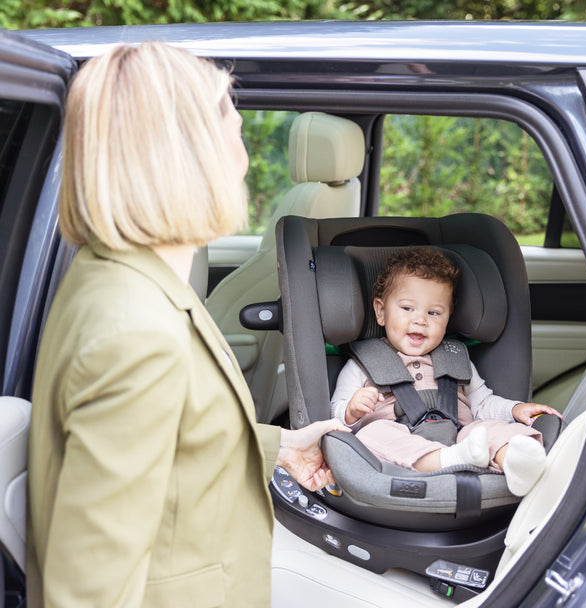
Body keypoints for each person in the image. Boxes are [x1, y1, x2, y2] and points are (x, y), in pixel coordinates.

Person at [26, 42, 346, 608]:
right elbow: (89, 591)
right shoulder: (136, 334)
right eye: (231, 128)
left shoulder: (124, 277)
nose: (244, 155)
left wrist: (280, 447)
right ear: (183, 156)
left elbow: (170, 428)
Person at [330, 247, 562, 497]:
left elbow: (482, 404)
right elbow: (336, 414)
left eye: (433, 313)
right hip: (401, 441)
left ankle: (517, 463)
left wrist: (514, 410)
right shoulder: (362, 364)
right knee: (372, 435)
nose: (420, 320)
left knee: (490, 430)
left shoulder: (456, 359)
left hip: (461, 436)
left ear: (448, 318)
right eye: (407, 308)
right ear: (381, 311)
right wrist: (352, 411)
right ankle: (450, 459)